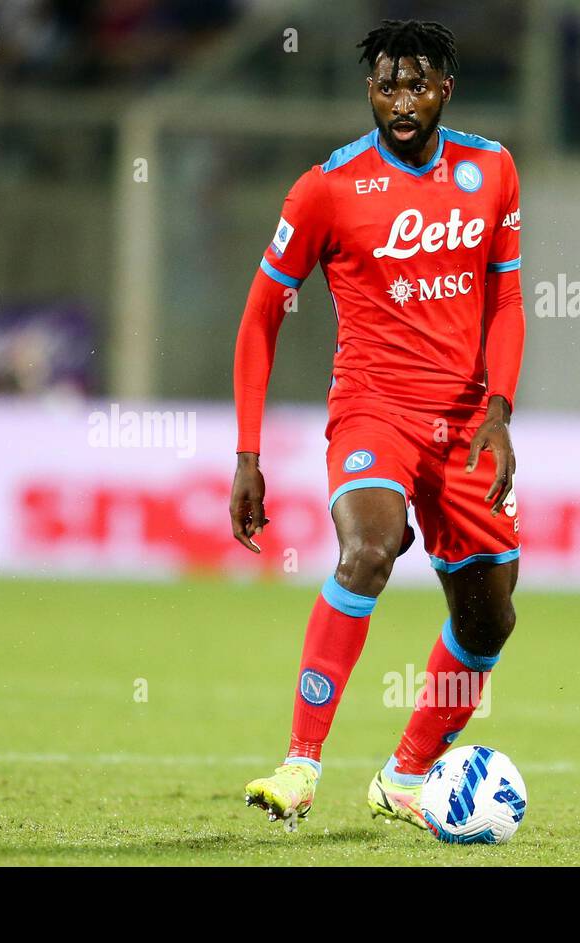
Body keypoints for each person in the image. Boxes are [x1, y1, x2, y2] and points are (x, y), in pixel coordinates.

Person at [231, 19, 525, 829]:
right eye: (387, 84)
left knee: (489, 615)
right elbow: (260, 318)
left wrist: (499, 407)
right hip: (374, 408)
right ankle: (300, 764)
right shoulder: (325, 188)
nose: (401, 100)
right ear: (369, 89)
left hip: (466, 420)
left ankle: (404, 775)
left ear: (445, 89)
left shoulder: (492, 170)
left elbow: (504, 299)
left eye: (417, 83)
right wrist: (248, 453)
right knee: (367, 549)